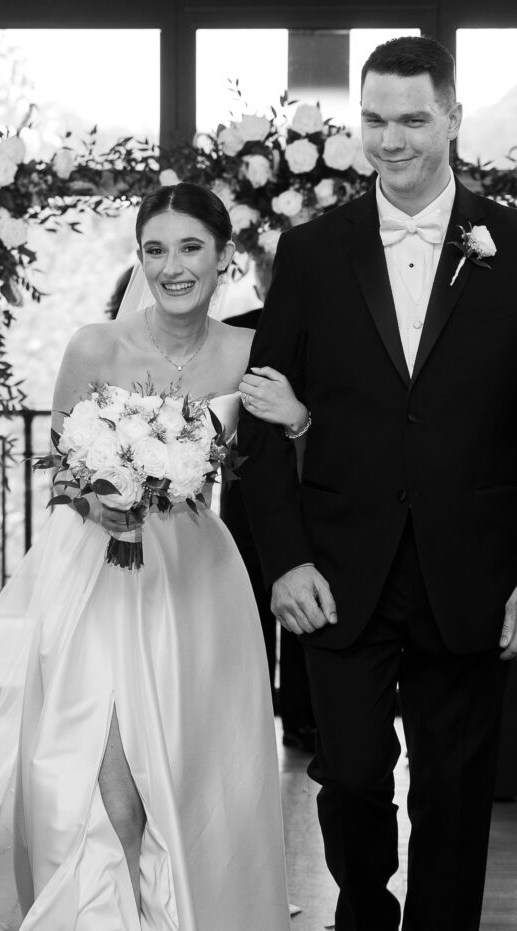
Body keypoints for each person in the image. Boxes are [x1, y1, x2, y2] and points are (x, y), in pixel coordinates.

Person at [0, 182, 309, 930]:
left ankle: (189, 905)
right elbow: (64, 467)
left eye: (191, 247)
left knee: (191, 774)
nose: (172, 266)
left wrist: (299, 421)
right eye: (155, 249)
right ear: (139, 259)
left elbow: (311, 463)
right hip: (99, 572)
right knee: (112, 783)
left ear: (225, 256)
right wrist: (110, 492)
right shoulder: (95, 346)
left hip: (199, 584)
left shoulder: (251, 355)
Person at [237, 35, 517, 931]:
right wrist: (283, 560)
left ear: (454, 118)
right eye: (375, 119)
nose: (391, 140)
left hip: (471, 568)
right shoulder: (312, 251)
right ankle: (364, 900)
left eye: (413, 119)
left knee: (455, 784)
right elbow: (265, 418)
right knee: (349, 771)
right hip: (339, 568)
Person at [223, 250, 317, 753]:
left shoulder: (325, 326)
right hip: (243, 489)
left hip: (308, 484)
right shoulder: (235, 329)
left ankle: (304, 720)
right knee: (249, 605)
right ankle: (252, 714)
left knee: (306, 606)